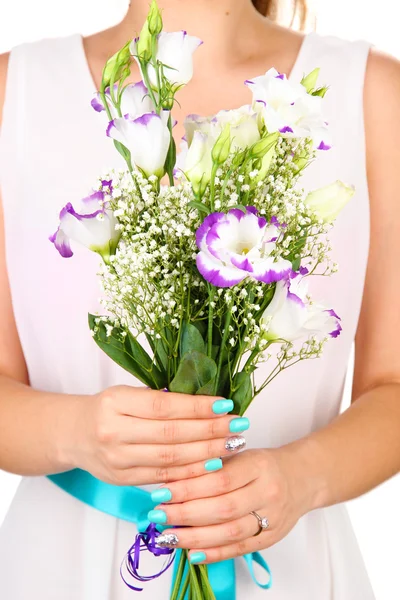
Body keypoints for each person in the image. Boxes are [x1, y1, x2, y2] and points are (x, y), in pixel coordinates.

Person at [0, 0, 399, 598]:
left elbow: (392, 387)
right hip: (59, 566)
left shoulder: (373, 95)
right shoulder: (15, 92)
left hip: (290, 566)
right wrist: (77, 431)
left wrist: (300, 479)